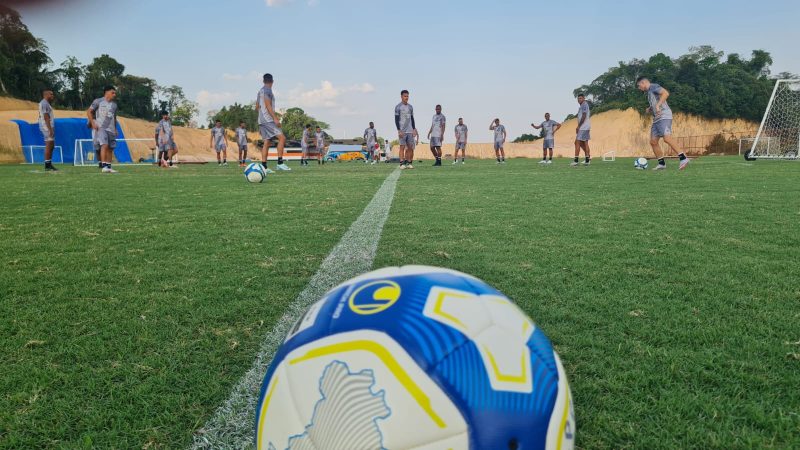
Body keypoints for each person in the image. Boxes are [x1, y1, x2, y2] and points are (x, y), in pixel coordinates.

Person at [636, 77, 690, 170]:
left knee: (667, 138)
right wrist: (650, 108)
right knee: (653, 142)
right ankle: (661, 164)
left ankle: (683, 158)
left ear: (643, 82)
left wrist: (658, 105)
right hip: (656, 119)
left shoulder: (653, 86)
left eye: (639, 85)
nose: (638, 88)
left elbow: (665, 93)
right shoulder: (649, 92)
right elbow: (656, 100)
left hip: (664, 115)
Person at [256, 73, 290, 171]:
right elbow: (267, 104)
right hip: (268, 120)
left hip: (262, 120)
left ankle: (264, 166)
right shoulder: (267, 90)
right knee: (282, 138)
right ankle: (280, 163)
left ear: (263, 81)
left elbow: (257, 107)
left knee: (267, 141)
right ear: (273, 81)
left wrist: (260, 121)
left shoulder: (260, 91)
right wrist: (275, 118)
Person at [87, 85, 119, 173]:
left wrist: (115, 129)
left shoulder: (114, 105)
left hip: (111, 129)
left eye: (115, 93)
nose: (114, 94)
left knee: (111, 148)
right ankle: (104, 166)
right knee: (104, 145)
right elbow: (89, 111)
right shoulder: (98, 101)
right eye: (113, 92)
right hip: (102, 128)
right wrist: (93, 123)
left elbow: (114, 117)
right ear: (106, 92)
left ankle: (109, 167)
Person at [395, 90, 418, 169]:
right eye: (405, 96)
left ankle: (409, 163)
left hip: (410, 130)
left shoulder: (410, 107)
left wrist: (414, 129)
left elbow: (412, 118)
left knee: (410, 147)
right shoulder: (398, 107)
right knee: (402, 147)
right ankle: (401, 163)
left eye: (407, 96)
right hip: (402, 131)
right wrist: (399, 130)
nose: (406, 98)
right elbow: (396, 119)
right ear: (401, 97)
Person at [38, 89, 57, 171]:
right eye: (51, 94)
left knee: (52, 145)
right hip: (45, 126)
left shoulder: (47, 103)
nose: (53, 96)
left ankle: (49, 163)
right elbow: (46, 117)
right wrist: (50, 129)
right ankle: (47, 165)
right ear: (46, 95)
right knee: (49, 145)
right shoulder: (44, 103)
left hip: (48, 126)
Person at [573, 94, 591, 166]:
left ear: (584, 98)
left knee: (577, 142)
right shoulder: (583, 105)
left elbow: (584, 115)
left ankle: (576, 161)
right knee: (584, 143)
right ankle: (587, 159)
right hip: (586, 127)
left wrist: (578, 126)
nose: (579, 100)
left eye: (580, 98)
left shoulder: (584, 104)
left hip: (583, 127)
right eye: (578, 98)